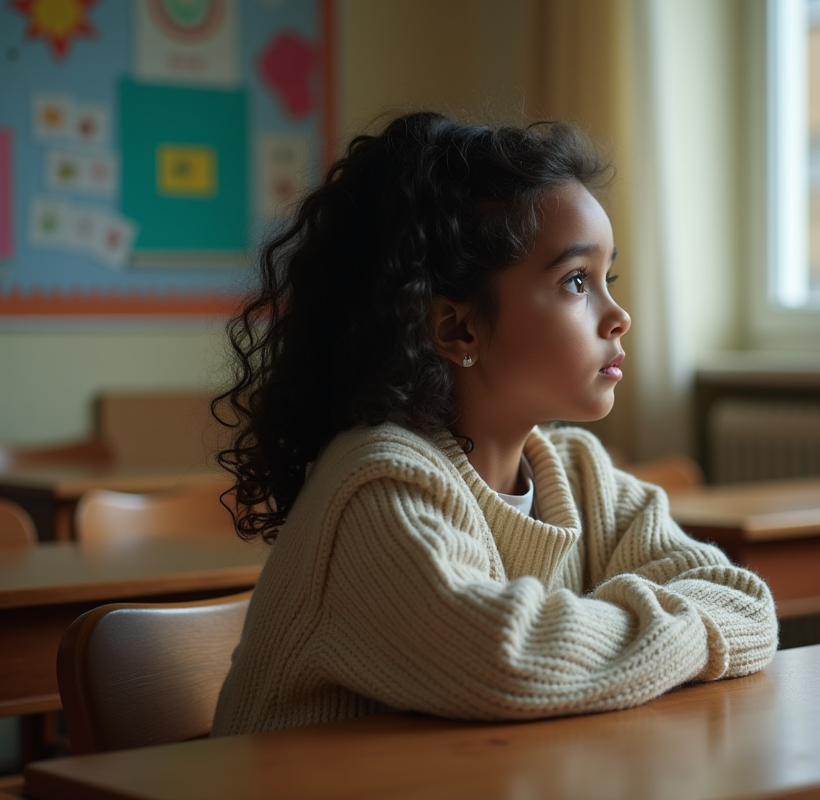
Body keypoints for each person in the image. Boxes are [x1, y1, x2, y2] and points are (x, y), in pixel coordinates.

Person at [210, 111, 776, 737]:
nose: (619, 316)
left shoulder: (582, 473)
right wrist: (678, 629)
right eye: (577, 281)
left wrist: (626, 640)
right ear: (458, 329)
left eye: (608, 277)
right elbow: (510, 661)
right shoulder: (376, 486)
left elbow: (744, 600)